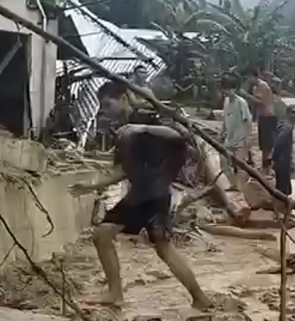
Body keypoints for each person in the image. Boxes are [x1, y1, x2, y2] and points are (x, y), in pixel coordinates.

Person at [69, 110, 211, 310]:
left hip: (141, 198)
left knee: (104, 235)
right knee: (161, 248)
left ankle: (115, 293)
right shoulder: (163, 143)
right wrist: (90, 186)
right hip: (158, 196)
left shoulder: (127, 136)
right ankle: (199, 298)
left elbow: (120, 171)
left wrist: (90, 186)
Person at [242, 68, 277, 175]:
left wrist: (247, 96)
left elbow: (263, 102)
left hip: (269, 116)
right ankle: (264, 168)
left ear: (254, 76)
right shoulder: (255, 87)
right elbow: (255, 104)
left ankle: (268, 170)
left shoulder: (263, 86)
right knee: (263, 145)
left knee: (267, 145)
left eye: (248, 78)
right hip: (262, 117)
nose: (248, 80)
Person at [271, 105, 295, 218]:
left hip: (284, 160)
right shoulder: (287, 127)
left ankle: (283, 211)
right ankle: (279, 212)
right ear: (289, 114)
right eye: (294, 113)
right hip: (282, 161)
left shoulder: (287, 126)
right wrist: (275, 157)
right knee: (282, 188)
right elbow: (279, 143)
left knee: (284, 187)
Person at [220, 76, 253, 184]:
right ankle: (233, 184)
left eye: (229, 89)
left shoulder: (241, 103)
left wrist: (247, 138)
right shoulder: (226, 101)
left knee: (240, 166)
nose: (227, 92)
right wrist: (222, 131)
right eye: (225, 89)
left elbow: (247, 121)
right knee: (224, 163)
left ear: (234, 89)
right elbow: (225, 118)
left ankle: (240, 188)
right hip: (229, 139)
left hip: (240, 140)